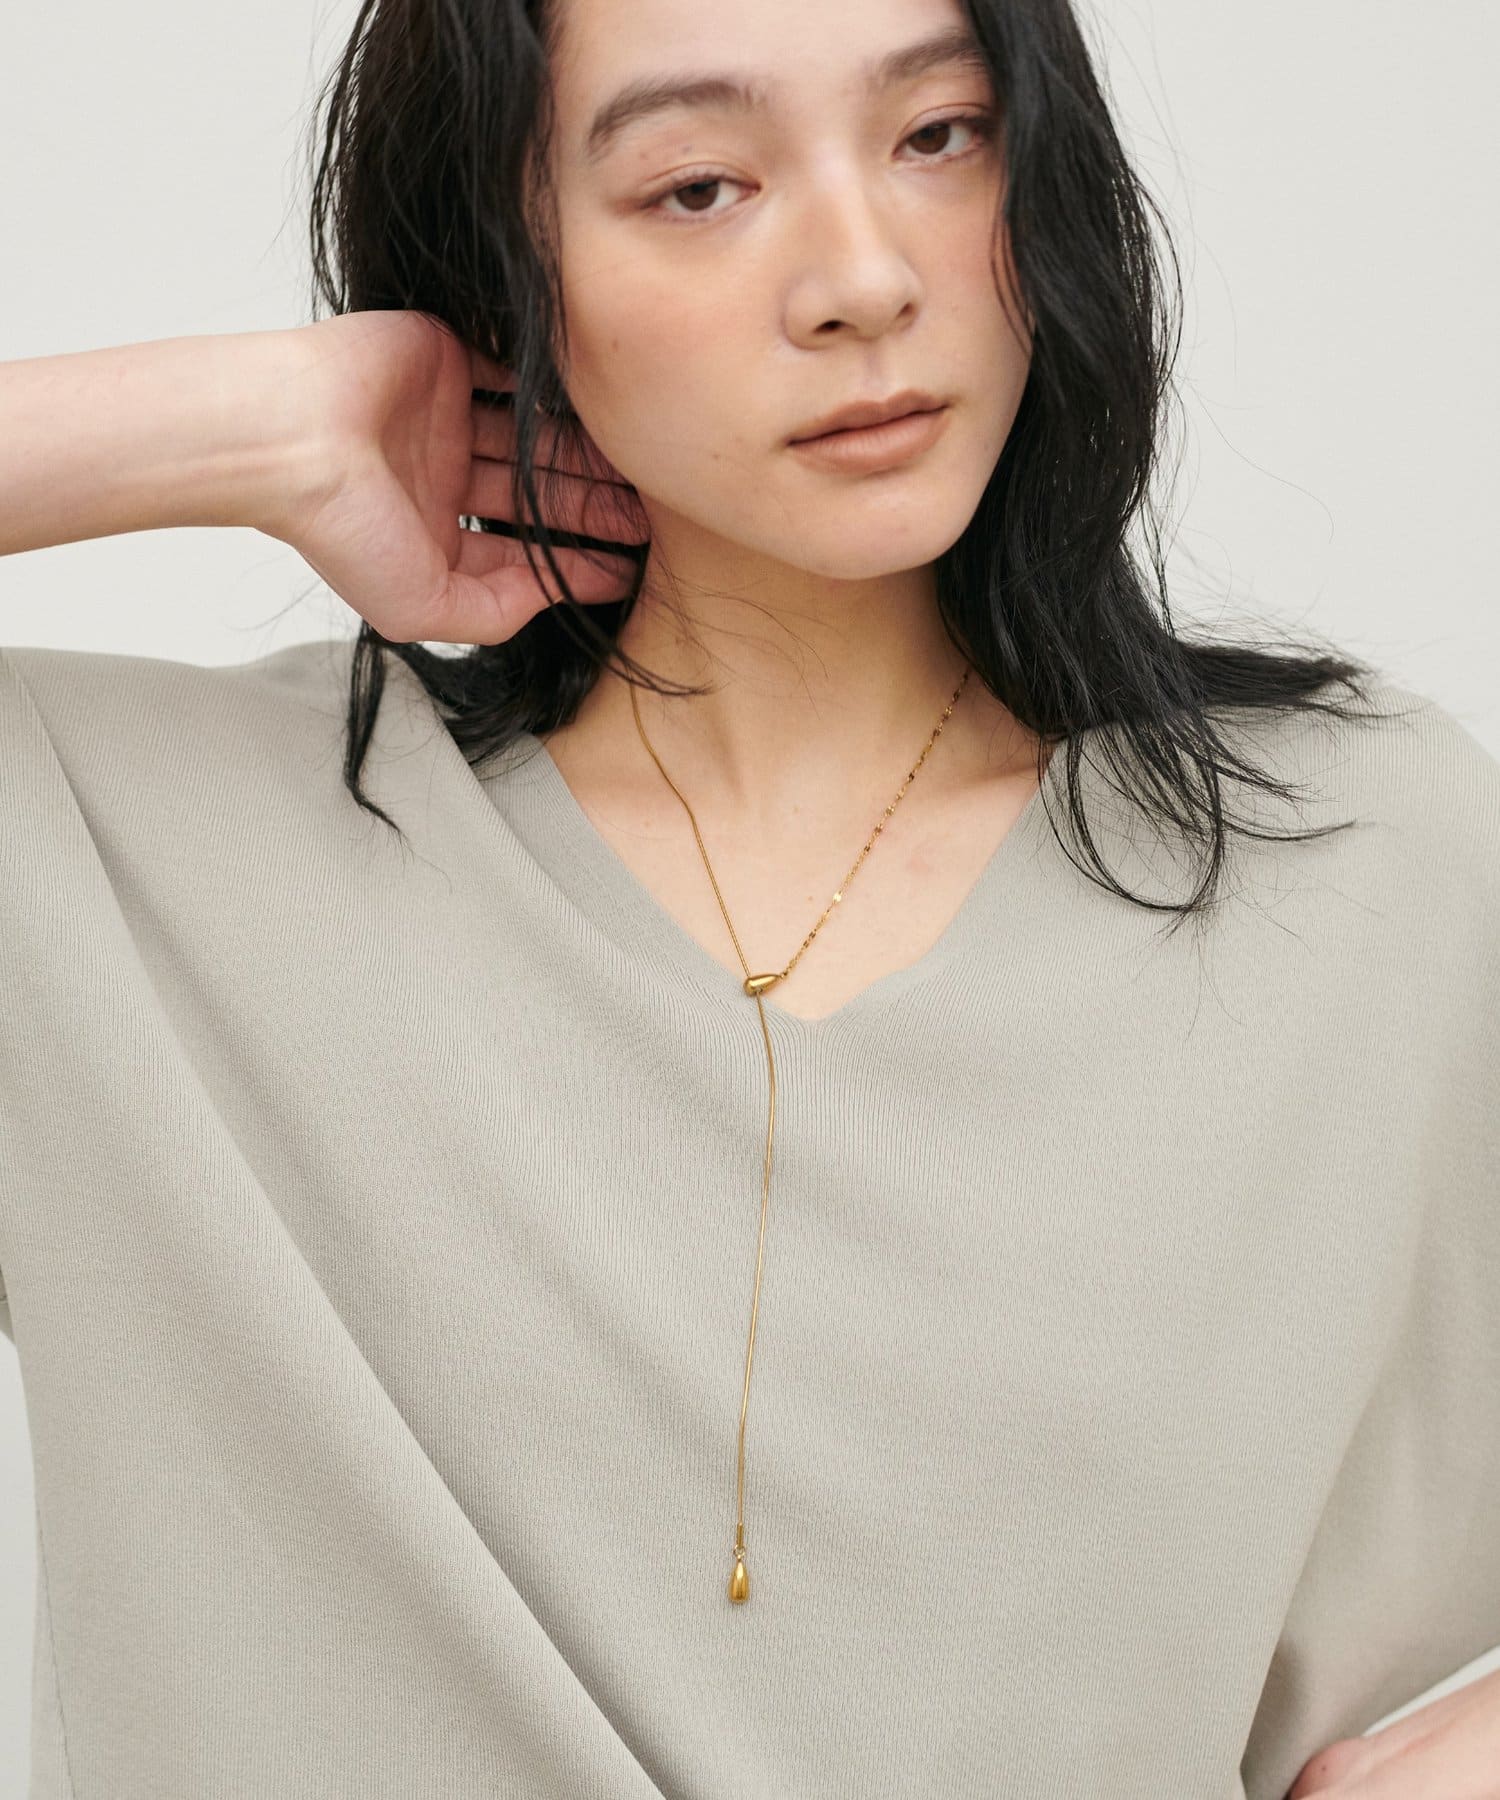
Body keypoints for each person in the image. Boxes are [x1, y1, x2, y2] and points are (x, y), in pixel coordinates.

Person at [1, 0, 1497, 1795]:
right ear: (505, 269)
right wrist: (254, 424)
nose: (864, 277)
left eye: (940, 135)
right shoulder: (135, 858)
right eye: (700, 185)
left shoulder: (1353, 858)